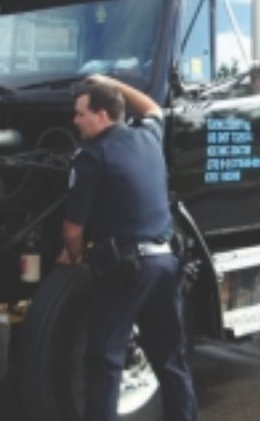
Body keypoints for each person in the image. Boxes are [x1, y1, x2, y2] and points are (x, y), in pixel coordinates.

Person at [58, 74, 197, 421]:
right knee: (170, 357)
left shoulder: (90, 157)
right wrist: (111, 82)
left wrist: (71, 258)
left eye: (80, 114)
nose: (75, 121)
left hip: (128, 272)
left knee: (104, 359)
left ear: (102, 115)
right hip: (166, 264)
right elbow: (151, 107)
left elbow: (72, 230)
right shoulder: (148, 138)